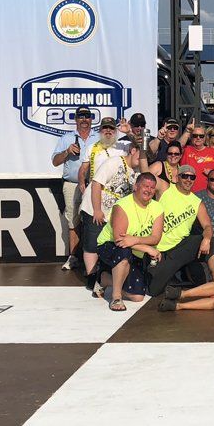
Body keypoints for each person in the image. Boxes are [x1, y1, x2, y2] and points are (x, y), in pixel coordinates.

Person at [77, 117, 135, 294]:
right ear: (100, 131)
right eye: (105, 129)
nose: (108, 131)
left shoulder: (123, 147)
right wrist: (96, 208)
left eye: (111, 128)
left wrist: (130, 132)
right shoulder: (93, 148)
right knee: (92, 243)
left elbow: (141, 147)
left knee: (108, 242)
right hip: (95, 204)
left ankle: (103, 275)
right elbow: (90, 176)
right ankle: (91, 277)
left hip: (113, 208)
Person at [147, 164, 214, 298]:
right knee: (153, 290)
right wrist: (143, 151)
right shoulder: (165, 188)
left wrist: (207, 239)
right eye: (185, 176)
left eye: (192, 177)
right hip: (158, 249)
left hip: (179, 248)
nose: (188, 180)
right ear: (177, 177)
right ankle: (177, 273)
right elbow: (146, 176)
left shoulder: (197, 202)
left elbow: (208, 226)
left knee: (212, 241)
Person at [96, 172, 163, 311]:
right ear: (136, 186)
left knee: (138, 296)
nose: (149, 190)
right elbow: (119, 240)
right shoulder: (122, 206)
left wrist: (136, 239)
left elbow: (156, 237)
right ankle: (116, 297)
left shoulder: (157, 207)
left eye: (152, 187)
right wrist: (148, 248)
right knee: (124, 251)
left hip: (134, 248)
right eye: (145, 186)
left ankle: (104, 279)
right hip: (110, 246)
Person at [51, 105, 98, 270]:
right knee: (73, 221)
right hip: (72, 184)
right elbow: (55, 161)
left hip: (94, 185)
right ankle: (73, 257)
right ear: (75, 119)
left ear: (91, 119)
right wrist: (67, 152)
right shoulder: (66, 138)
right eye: (81, 116)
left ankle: (94, 258)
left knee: (95, 219)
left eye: (87, 116)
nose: (84, 119)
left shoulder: (98, 137)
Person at [179, 124, 214, 192]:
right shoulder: (186, 150)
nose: (198, 138)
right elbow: (176, 146)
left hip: (207, 193)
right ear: (191, 137)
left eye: (201, 136)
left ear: (205, 137)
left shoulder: (213, 152)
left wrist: (212, 173)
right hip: (187, 192)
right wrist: (187, 131)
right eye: (195, 136)